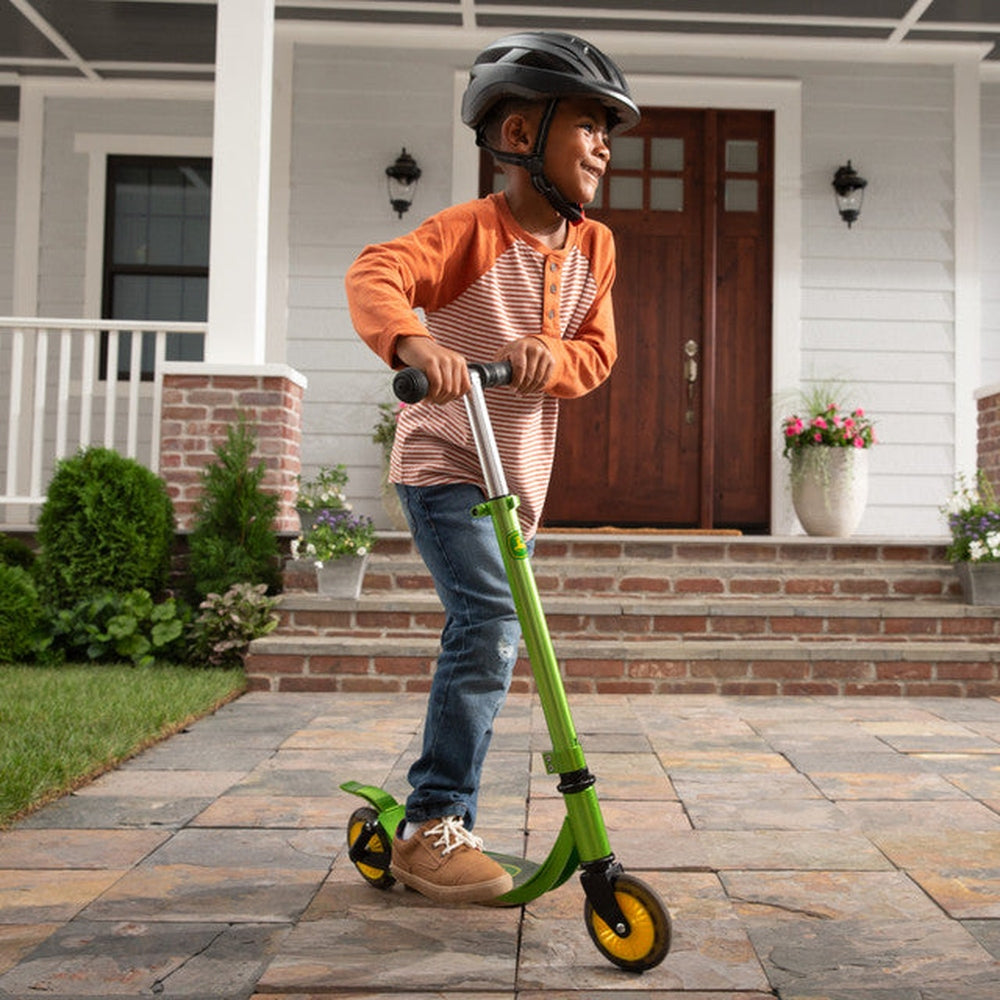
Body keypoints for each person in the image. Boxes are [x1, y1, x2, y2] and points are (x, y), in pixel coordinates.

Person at [345, 31, 639, 905]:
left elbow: (598, 352)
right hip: (446, 460)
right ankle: (434, 824)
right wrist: (416, 340)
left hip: (517, 479)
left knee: (499, 630)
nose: (603, 146)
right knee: (491, 623)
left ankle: (423, 812)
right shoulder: (469, 231)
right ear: (518, 134)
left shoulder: (595, 249)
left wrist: (554, 355)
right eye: (586, 125)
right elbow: (379, 271)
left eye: (607, 132)